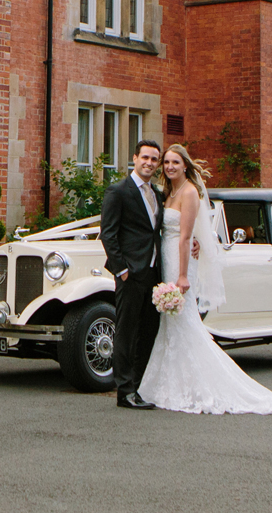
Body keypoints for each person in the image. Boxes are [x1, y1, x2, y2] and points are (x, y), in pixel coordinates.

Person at [137, 144, 272, 416]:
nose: (169, 166)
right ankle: (170, 385)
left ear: (185, 165)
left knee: (185, 322)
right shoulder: (168, 191)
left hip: (181, 261)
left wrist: (184, 275)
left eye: (175, 162)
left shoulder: (188, 192)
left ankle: (198, 386)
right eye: (166, 162)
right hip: (167, 256)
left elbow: (186, 236)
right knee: (170, 323)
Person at [99, 139, 164, 409]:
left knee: (148, 331)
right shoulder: (119, 191)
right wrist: (122, 270)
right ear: (134, 158)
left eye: (154, 159)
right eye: (145, 158)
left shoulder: (157, 193)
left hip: (153, 272)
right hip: (130, 274)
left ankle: (138, 386)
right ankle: (124, 391)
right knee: (126, 332)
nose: (149, 163)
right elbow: (108, 234)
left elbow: (157, 231)